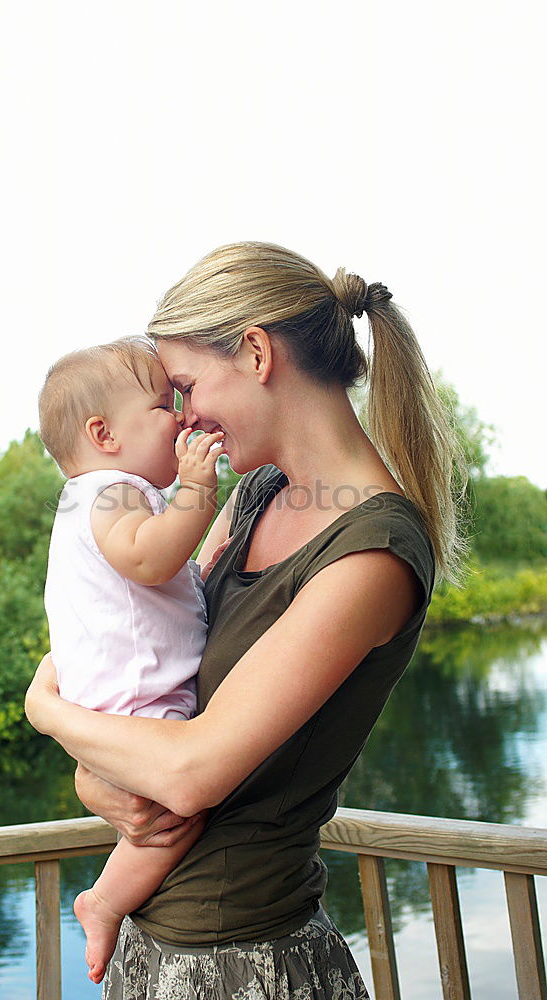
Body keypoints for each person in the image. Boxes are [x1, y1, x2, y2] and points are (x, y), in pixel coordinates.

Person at [26, 241, 467, 999]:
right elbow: (142, 641)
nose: (184, 418)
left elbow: (189, 771)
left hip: (243, 962)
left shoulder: (372, 551)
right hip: (154, 945)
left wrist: (45, 711)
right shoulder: (258, 492)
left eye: (187, 387)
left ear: (257, 353)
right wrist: (95, 782)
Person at [37, 338, 227, 983]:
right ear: (104, 433)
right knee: (176, 817)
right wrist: (197, 489)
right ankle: (105, 902)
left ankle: (106, 898)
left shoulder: (91, 499)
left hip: (119, 693)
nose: (179, 418)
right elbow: (150, 559)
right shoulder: (112, 491)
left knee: (159, 813)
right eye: (162, 405)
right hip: (137, 699)